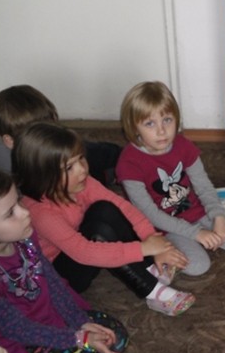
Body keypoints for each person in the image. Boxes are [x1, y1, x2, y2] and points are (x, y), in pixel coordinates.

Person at [11, 122, 196, 316]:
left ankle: (148, 268)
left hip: (85, 240)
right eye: (69, 167)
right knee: (99, 232)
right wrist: (143, 248)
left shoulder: (82, 182)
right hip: (63, 273)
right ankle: (153, 292)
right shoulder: (40, 213)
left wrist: (152, 240)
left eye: (81, 158)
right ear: (42, 175)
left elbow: (122, 206)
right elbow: (83, 252)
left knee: (106, 209)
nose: (82, 169)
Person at [0, 168, 128, 353]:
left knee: (116, 335)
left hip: (54, 316)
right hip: (26, 340)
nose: (25, 212)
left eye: (18, 201)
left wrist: (80, 322)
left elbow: (53, 283)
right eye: (10, 213)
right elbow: (17, 329)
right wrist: (79, 339)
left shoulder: (25, 237)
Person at [117, 81, 225, 276]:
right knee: (197, 266)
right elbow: (151, 214)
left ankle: (222, 204)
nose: (161, 131)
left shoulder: (183, 145)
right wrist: (196, 233)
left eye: (167, 120)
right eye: (150, 123)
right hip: (165, 225)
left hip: (196, 209)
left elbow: (203, 185)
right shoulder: (129, 163)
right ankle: (204, 223)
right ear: (134, 128)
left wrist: (218, 216)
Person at [0, 84, 122, 186]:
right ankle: (108, 175)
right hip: (50, 181)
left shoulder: (20, 140)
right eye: (43, 133)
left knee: (92, 150)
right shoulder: (6, 173)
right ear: (10, 141)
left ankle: (120, 157)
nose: (52, 133)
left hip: (52, 162)